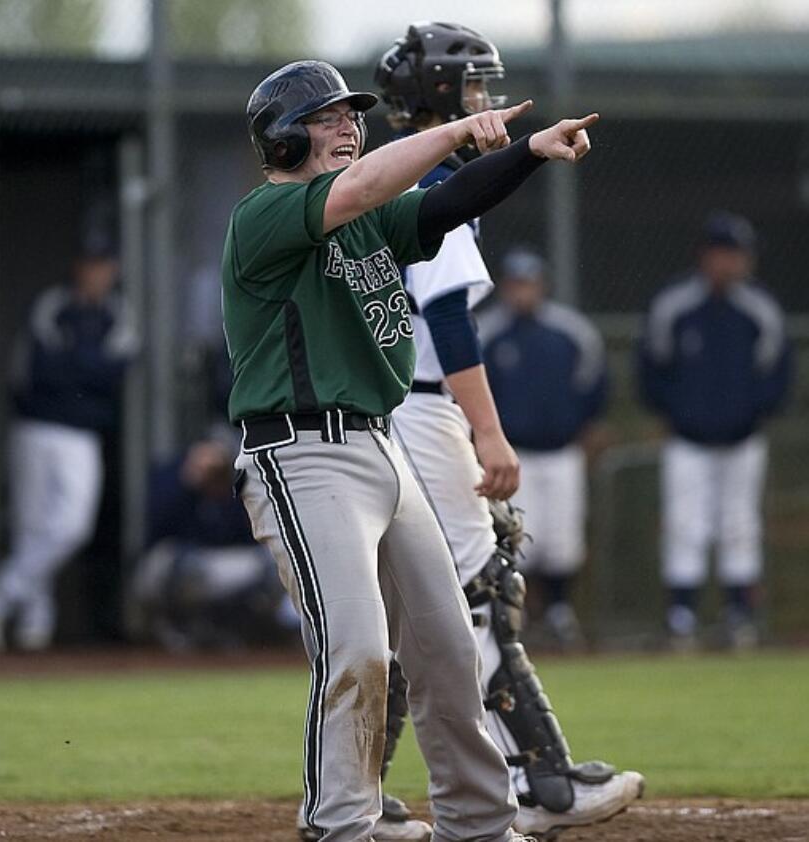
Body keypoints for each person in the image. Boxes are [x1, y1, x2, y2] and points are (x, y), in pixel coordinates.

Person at [225, 54, 596, 842]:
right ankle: (343, 826)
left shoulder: (364, 220)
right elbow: (363, 188)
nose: (348, 127)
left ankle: (481, 824)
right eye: (327, 118)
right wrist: (458, 127)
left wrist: (524, 153)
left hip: (383, 447)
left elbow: (444, 203)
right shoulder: (262, 214)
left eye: (352, 116)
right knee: (360, 649)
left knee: (448, 646)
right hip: (302, 453)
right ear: (283, 140)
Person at [351, 26, 642, 842]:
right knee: (476, 593)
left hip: (386, 410)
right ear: (440, 96)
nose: (484, 101)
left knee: (403, 608)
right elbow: (445, 317)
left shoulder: (388, 172)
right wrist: (491, 432)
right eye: (472, 88)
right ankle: (530, 780)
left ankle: (358, 796)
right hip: (419, 407)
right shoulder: (436, 174)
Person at [638, 211, 792, 650]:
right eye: (723, 254)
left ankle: (738, 614)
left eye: (738, 255)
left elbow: (777, 371)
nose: (731, 263)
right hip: (687, 439)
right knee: (686, 523)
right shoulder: (676, 304)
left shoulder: (759, 307)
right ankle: (681, 615)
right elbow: (652, 368)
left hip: (743, 439)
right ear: (705, 256)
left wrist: (756, 412)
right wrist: (673, 411)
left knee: (739, 524)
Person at [0, 233, 137, 652]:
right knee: (32, 526)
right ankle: (34, 626)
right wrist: (85, 368)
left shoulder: (118, 312)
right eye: (90, 263)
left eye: (104, 265)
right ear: (78, 267)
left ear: (113, 270)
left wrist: (76, 366)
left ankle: (2, 590)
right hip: (34, 427)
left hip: (81, 436)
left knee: (72, 525)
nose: (97, 272)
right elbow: (39, 371)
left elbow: (113, 374)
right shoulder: (52, 305)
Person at [478, 247, 608, 648]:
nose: (522, 293)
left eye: (529, 283)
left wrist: (589, 429)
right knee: (516, 536)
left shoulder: (571, 332)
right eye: (515, 284)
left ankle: (558, 611)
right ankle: (516, 612)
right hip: (511, 453)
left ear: (543, 285)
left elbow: (594, 386)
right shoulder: (487, 331)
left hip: (561, 449)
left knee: (562, 538)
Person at [128, 435, 296, 651]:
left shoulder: (241, 482)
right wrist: (189, 483)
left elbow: (256, 534)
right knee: (179, 566)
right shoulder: (171, 477)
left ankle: (243, 632)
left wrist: (232, 484)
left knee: (275, 563)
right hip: (178, 562)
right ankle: (178, 630)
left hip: (224, 563)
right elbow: (153, 531)